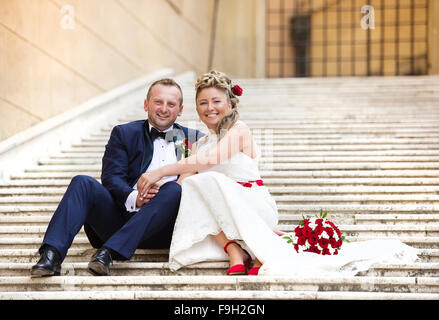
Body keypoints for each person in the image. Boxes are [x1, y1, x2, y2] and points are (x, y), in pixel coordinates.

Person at [135, 71, 420, 277]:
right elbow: (186, 180)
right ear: (196, 108)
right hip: (222, 214)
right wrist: (159, 191)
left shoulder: (239, 130)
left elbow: (209, 161)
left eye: (216, 101)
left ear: (231, 104)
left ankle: (247, 247)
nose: (209, 108)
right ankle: (234, 249)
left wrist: (160, 170)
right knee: (189, 186)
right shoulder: (197, 143)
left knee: (203, 177)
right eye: (203, 102)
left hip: (253, 204)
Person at [30, 78, 204, 277]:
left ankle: (109, 252)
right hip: (120, 218)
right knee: (82, 182)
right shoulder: (124, 133)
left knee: (174, 189)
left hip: (164, 228)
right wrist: (134, 197)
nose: (164, 109)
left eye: (171, 104)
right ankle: (51, 256)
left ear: (180, 110)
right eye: (158, 102)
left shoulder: (193, 139)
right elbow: (112, 178)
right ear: (146, 104)